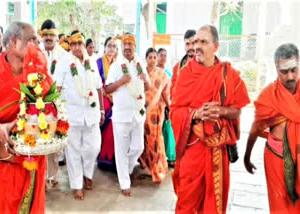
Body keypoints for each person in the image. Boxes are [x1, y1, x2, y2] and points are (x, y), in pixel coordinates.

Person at [170, 25, 250, 213]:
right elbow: (174, 111)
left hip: (217, 151)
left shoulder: (227, 74)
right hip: (192, 149)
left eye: (203, 42)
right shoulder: (185, 74)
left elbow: (237, 111)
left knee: (214, 204)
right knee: (186, 202)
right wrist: (195, 114)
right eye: (196, 41)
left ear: (216, 46)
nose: (197, 46)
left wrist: (220, 111)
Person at [0, 21, 49, 213]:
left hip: (32, 170)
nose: (37, 45)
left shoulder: (40, 74)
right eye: (31, 40)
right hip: (1, 170)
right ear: (13, 41)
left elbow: (51, 113)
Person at [244, 43, 300, 213]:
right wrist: (247, 156)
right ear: (276, 68)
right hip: (277, 159)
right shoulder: (269, 96)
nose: (290, 77)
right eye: (284, 71)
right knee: (280, 207)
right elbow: (255, 129)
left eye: (294, 70)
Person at [55, 31, 104, 200]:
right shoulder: (64, 62)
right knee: (73, 151)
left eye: (79, 44)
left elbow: (99, 87)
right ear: (70, 46)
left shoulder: (91, 61)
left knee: (93, 147)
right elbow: (57, 88)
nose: (76, 47)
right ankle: (77, 185)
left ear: (84, 45)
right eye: (73, 44)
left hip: (92, 112)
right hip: (72, 115)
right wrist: (57, 113)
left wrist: (102, 110)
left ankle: (87, 173)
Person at [105, 33, 151, 197]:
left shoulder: (140, 64)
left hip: (138, 114)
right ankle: (124, 182)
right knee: (121, 150)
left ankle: (128, 168)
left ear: (134, 47)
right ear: (121, 47)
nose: (127, 47)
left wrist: (146, 80)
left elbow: (148, 87)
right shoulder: (116, 66)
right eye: (124, 44)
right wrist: (121, 82)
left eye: (130, 44)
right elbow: (107, 89)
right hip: (121, 116)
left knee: (138, 147)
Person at [39, 19, 69, 188]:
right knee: (41, 140)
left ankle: (52, 175)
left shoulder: (64, 55)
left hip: (58, 104)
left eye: (52, 34)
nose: (49, 37)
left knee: (55, 143)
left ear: (57, 36)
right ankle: (42, 178)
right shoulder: (36, 53)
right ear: (42, 36)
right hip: (39, 105)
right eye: (46, 34)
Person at [139, 48, 169, 184]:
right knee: (142, 139)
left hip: (155, 112)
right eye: (150, 57)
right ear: (145, 58)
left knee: (155, 140)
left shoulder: (161, 74)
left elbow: (164, 94)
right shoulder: (140, 72)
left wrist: (169, 106)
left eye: (154, 57)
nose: (152, 60)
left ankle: (157, 169)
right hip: (140, 110)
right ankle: (146, 163)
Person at [96, 37, 117, 171]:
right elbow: (98, 84)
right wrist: (109, 96)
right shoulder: (98, 63)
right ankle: (104, 157)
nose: (111, 49)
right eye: (109, 46)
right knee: (110, 120)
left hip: (116, 96)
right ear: (104, 47)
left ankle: (114, 158)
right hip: (103, 97)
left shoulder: (117, 63)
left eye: (114, 46)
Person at [170, 29, 196, 99]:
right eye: (187, 44)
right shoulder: (177, 67)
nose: (190, 47)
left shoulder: (206, 66)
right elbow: (173, 92)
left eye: (193, 43)